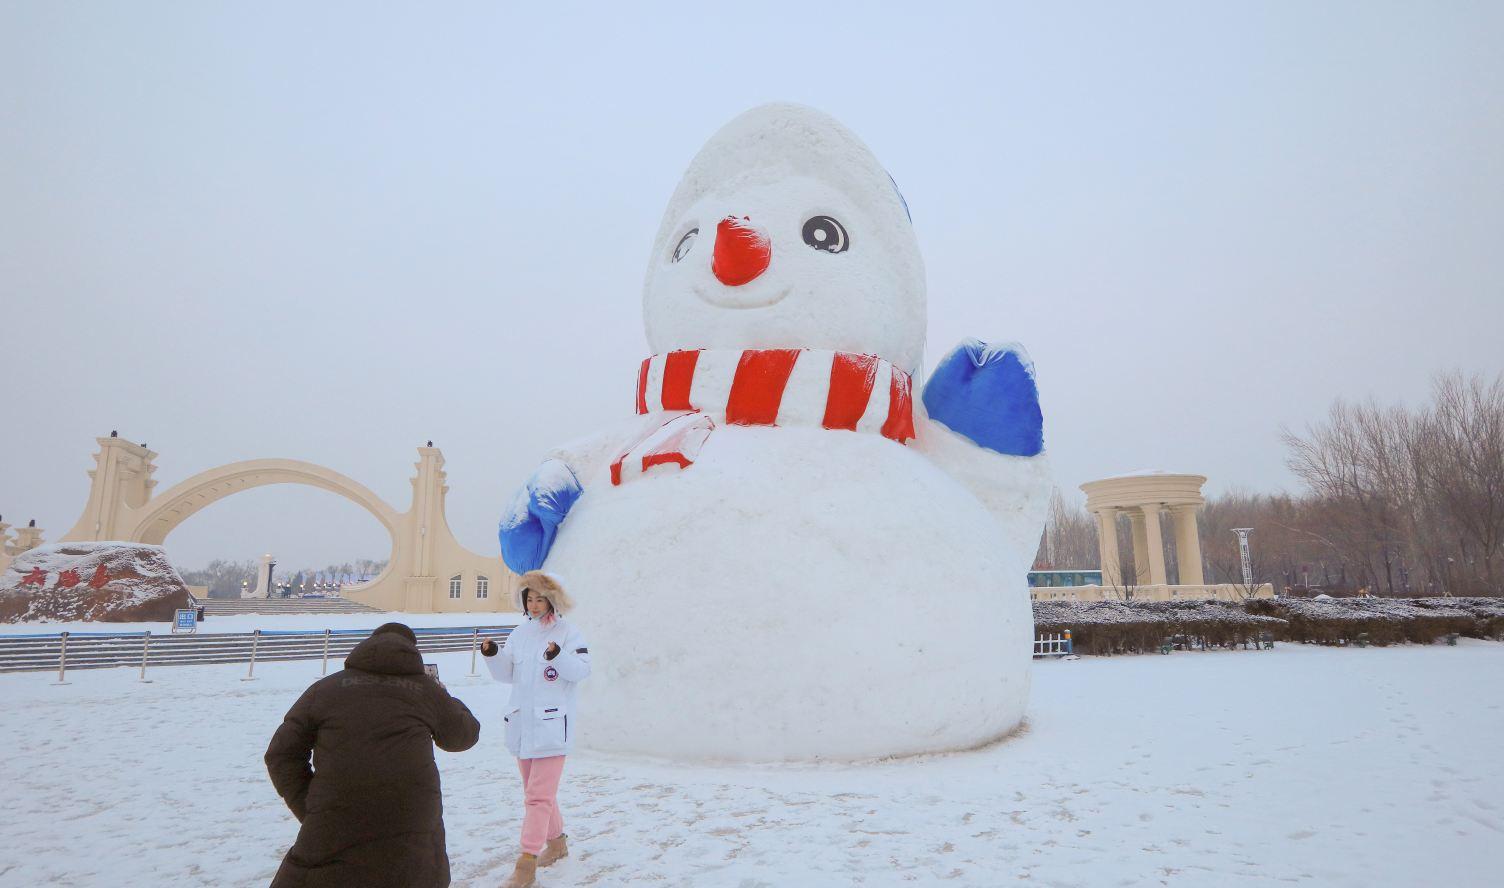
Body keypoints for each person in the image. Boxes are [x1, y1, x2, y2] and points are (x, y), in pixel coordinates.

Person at [264, 621, 481, 888]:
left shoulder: (326, 689)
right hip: (411, 816)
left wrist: (311, 806)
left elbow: (281, 754)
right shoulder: (425, 690)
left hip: (334, 819)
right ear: (412, 652)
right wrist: (445, 695)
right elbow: (463, 736)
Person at [482, 570, 591, 888]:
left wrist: (558, 656)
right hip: (522, 726)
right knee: (538, 794)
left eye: (539, 598)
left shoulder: (569, 633)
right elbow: (508, 675)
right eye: (529, 598)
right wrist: (493, 656)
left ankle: (526, 865)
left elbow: (582, 670)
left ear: (552, 600)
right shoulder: (520, 634)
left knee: (537, 798)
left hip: (551, 729)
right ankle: (557, 844)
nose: (533, 604)